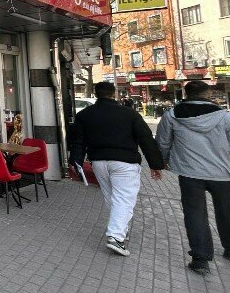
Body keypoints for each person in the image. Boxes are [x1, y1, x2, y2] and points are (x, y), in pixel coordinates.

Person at [69, 81, 164, 256]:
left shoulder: (85, 115)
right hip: (124, 163)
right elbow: (145, 138)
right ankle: (115, 236)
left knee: (111, 197)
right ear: (113, 94)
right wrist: (156, 164)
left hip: (98, 162)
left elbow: (78, 141)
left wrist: (75, 161)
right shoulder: (129, 113)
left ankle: (119, 228)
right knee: (124, 199)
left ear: (96, 94)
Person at [155, 80, 230, 276]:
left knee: (194, 213)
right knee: (227, 211)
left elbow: (163, 143)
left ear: (186, 93)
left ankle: (200, 259)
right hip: (223, 174)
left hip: (190, 173)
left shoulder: (172, 115)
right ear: (208, 94)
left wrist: (162, 161)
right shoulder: (225, 117)